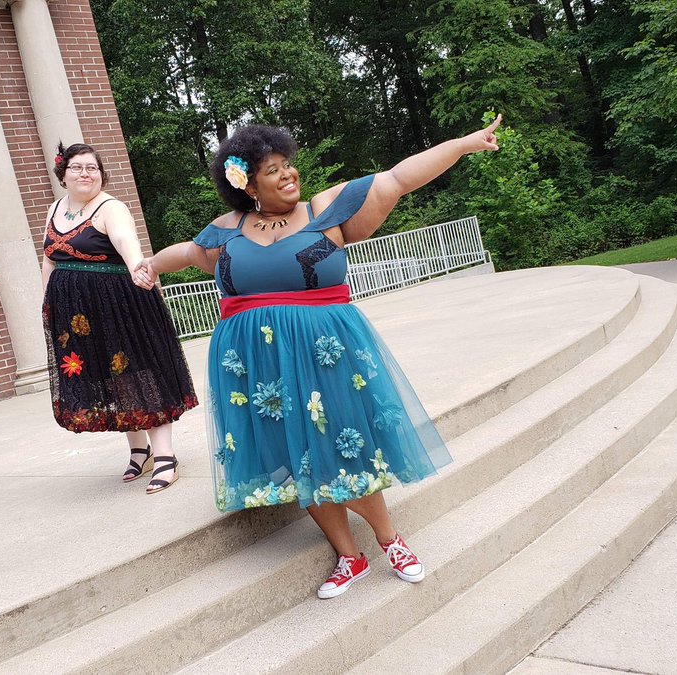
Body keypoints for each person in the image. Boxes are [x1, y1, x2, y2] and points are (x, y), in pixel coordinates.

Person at [136, 116, 502, 597]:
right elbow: (186, 252)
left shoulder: (325, 209)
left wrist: (462, 144)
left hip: (325, 354)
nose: (288, 174)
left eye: (288, 164)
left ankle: (389, 540)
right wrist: (149, 265)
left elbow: (397, 178)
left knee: (344, 445)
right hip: (257, 364)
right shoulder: (226, 230)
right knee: (295, 455)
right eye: (272, 170)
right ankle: (349, 557)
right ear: (248, 185)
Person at [42, 142, 197, 494]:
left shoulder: (110, 207)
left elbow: (126, 241)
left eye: (92, 168)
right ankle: (139, 450)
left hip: (119, 305)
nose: (85, 173)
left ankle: (165, 456)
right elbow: (49, 259)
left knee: (140, 374)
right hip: (77, 316)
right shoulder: (55, 208)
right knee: (111, 379)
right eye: (77, 167)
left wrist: (138, 268)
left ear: (101, 174)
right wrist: (47, 305)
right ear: (63, 174)